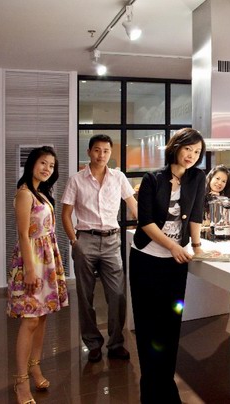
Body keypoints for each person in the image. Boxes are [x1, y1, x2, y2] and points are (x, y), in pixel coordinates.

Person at [130, 128, 206, 403]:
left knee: (171, 324)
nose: (192, 155)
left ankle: (166, 385)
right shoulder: (153, 179)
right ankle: (150, 389)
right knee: (148, 324)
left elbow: (195, 215)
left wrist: (196, 246)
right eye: (188, 149)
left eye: (197, 152)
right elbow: (146, 222)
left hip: (175, 263)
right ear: (176, 147)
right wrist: (173, 246)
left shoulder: (198, 177)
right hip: (146, 259)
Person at [61, 134, 138, 363]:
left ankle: (116, 343)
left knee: (117, 294)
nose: (101, 154)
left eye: (106, 150)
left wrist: (149, 225)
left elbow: (133, 204)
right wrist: (74, 242)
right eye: (97, 150)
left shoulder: (118, 177)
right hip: (85, 240)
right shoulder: (76, 180)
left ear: (110, 153)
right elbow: (65, 214)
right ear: (89, 152)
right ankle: (93, 343)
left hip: (112, 241)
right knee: (85, 296)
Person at [7, 146, 68, 404]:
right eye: (43, 163)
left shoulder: (41, 193)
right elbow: (23, 235)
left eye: (51, 166)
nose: (47, 169)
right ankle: (20, 382)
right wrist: (30, 270)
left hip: (47, 259)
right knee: (30, 321)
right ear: (32, 163)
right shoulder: (24, 194)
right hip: (31, 261)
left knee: (41, 318)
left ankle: (35, 368)